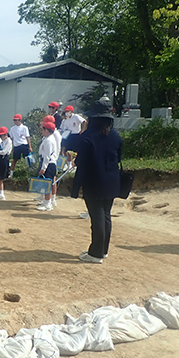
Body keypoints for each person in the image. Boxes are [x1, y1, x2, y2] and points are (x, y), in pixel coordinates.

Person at [71, 98, 122, 264]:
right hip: (112, 180)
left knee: (97, 217)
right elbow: (118, 157)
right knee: (106, 215)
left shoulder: (87, 136)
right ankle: (103, 250)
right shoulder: (115, 136)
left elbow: (81, 161)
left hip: (93, 181)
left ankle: (95, 254)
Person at [36, 121, 59, 212]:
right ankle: (46, 201)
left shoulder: (49, 140)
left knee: (47, 184)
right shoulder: (46, 138)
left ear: (47, 130)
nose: (42, 131)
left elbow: (47, 156)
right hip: (46, 163)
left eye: (43, 129)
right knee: (45, 183)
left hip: (49, 164)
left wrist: (43, 168)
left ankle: (48, 204)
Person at [0, 126, 12, 200]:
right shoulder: (2, 141)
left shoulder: (9, 141)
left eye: (2, 135)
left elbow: (4, 152)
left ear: (6, 134)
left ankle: (1, 194)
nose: (1, 137)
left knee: (0, 178)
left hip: (4, 159)